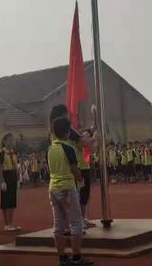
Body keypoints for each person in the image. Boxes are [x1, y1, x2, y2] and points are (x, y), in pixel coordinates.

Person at [48, 116, 94, 266]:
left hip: (53, 188)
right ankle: (76, 257)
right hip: (67, 187)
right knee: (75, 223)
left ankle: (62, 258)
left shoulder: (50, 148)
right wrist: (81, 180)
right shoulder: (68, 148)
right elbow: (75, 170)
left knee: (58, 226)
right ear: (68, 132)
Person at [49, 104, 97, 230]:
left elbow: (81, 136)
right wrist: (94, 138)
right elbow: (83, 142)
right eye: (67, 114)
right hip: (69, 175)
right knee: (74, 212)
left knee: (59, 218)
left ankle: (66, 228)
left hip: (56, 178)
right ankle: (77, 226)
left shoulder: (52, 131)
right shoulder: (65, 131)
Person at [0, 133, 20, 232]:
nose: (11, 142)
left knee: (12, 200)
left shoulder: (13, 152)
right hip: (6, 176)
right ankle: (6, 223)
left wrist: (18, 179)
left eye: (12, 140)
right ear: (4, 141)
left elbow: (16, 166)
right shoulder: (2, 153)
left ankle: (11, 222)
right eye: (9, 140)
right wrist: (2, 181)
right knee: (6, 201)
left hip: (13, 176)